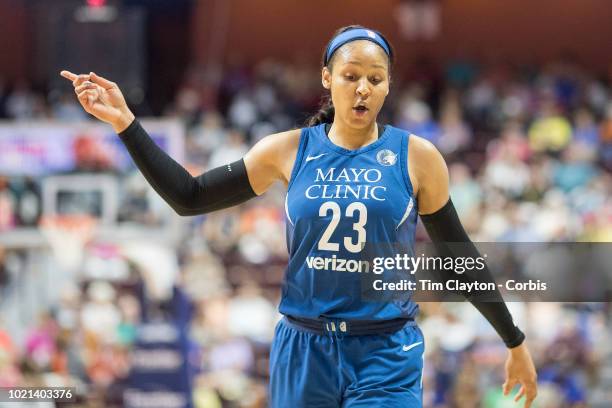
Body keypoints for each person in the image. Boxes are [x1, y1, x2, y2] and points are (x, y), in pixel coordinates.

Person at [61, 25, 537, 407]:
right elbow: (189, 196)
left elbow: (459, 256)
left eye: (376, 77)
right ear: (328, 79)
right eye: (351, 75)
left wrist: (513, 341)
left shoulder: (417, 157)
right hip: (303, 348)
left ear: (388, 84)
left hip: (386, 352)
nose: (363, 88)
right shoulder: (288, 150)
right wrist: (126, 124)